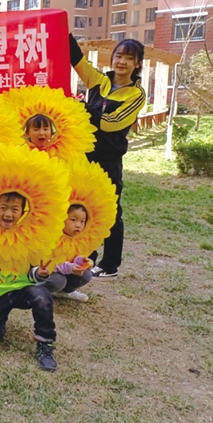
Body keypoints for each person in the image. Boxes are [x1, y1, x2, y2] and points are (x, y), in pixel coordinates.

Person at [69, 35, 146, 279]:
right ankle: (85, 258)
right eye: (119, 55)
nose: (122, 61)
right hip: (85, 155)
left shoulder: (136, 95)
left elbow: (111, 123)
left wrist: (81, 107)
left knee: (110, 210)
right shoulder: (99, 81)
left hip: (109, 159)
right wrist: (63, 30)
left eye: (129, 58)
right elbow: (76, 60)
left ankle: (110, 264)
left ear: (137, 64)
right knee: (80, 206)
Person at [0, 192, 58, 371]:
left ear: (23, 212)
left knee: (42, 296)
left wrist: (40, 273)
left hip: (22, 289)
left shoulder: (29, 236)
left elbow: (31, 272)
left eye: (14, 209)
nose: (8, 214)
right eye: (3, 208)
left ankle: (45, 343)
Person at [37, 204, 94, 302]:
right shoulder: (51, 236)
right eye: (73, 220)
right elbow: (49, 264)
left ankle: (65, 291)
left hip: (65, 270)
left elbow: (72, 257)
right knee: (58, 281)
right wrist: (70, 268)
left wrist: (83, 261)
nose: (78, 225)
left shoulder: (79, 238)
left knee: (86, 274)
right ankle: (36, 292)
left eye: (82, 221)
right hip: (44, 273)